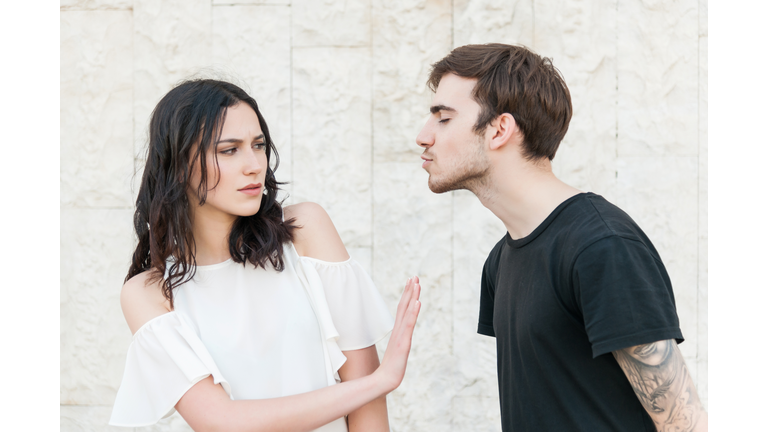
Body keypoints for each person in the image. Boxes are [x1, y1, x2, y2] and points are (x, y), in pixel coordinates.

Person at [416, 44, 708, 431]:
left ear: (500, 129)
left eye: (442, 118)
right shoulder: (500, 261)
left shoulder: (602, 247)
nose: (423, 136)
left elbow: (683, 421)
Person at [109, 79, 421, 432]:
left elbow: (369, 417)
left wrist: (370, 387)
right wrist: (378, 382)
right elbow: (221, 421)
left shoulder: (305, 231)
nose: (255, 165)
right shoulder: (149, 292)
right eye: (229, 150)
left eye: (258, 145)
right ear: (179, 164)